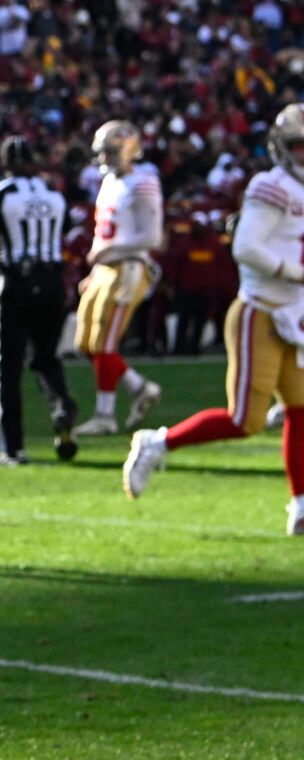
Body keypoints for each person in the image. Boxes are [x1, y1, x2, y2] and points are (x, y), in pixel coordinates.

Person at [123, 105, 304, 534]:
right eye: (299, 146)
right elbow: (245, 246)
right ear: (282, 148)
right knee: (246, 421)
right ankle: (157, 442)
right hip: (259, 311)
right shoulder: (271, 186)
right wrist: (294, 273)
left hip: (295, 315)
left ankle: (300, 506)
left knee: (302, 410)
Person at [0, 136, 73, 464]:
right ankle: (63, 408)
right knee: (46, 358)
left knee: (7, 369)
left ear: (4, 163)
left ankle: (13, 448)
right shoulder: (54, 194)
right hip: (53, 282)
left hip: (15, 284)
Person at [73, 120, 164, 438]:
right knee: (85, 343)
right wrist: (97, 268)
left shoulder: (144, 181)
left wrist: (109, 251)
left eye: (110, 151)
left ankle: (105, 414)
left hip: (128, 268)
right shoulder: (110, 181)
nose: (103, 159)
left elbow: (152, 237)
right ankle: (140, 387)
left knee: (105, 344)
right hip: (105, 270)